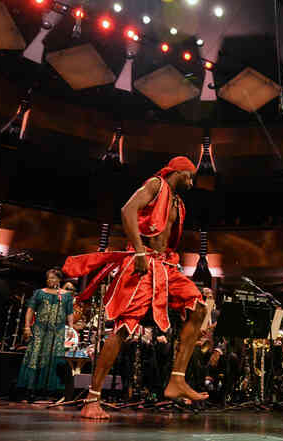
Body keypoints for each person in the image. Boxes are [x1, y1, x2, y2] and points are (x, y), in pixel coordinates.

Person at [63, 156, 208, 419]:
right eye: (189, 176)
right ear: (179, 171)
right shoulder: (156, 184)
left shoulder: (179, 203)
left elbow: (167, 238)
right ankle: (92, 400)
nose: (191, 181)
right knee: (124, 328)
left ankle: (177, 379)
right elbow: (127, 210)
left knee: (198, 305)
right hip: (141, 264)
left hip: (164, 266)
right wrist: (140, 251)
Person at [15, 268, 75, 401]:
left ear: (59, 280)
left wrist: (70, 328)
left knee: (53, 358)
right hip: (39, 330)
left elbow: (69, 312)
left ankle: (48, 391)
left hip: (57, 331)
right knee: (35, 356)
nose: (50, 280)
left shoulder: (65, 296)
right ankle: (30, 389)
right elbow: (30, 310)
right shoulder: (39, 293)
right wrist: (27, 326)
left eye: (53, 278)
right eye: (48, 278)